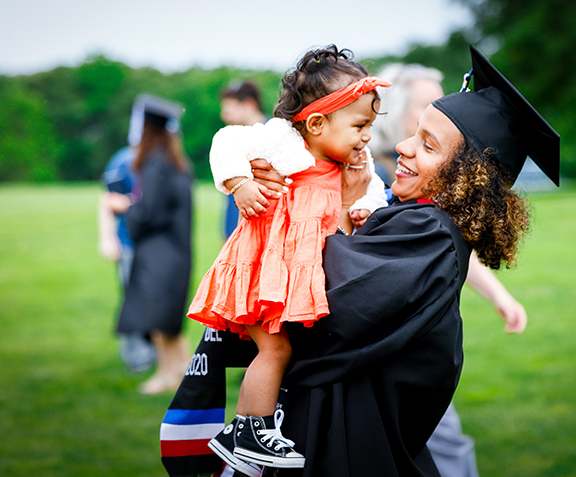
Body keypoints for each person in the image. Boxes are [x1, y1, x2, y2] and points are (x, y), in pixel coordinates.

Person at [160, 44, 559, 477]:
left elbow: (330, 302)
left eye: (427, 145)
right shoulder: (411, 216)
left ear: (467, 176)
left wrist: (318, 209)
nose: (403, 147)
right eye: (414, 132)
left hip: (344, 443)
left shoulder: (432, 235)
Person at [186, 45, 390, 472]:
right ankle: (248, 428)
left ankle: (250, 429)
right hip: (266, 271)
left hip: (296, 275)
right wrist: (240, 182)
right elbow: (226, 140)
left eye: (370, 125)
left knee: (287, 351)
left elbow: (372, 191)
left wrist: (364, 207)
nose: (367, 136)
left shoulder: (354, 159)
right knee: (275, 350)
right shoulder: (281, 142)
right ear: (316, 123)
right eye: (360, 125)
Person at [370, 62, 528, 477]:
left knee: (438, 439)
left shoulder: (432, 208)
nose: (452, 106)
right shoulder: (368, 167)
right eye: (427, 103)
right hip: (390, 354)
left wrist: (499, 295)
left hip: (410, 350)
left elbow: (444, 245)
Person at [106, 94, 193, 395]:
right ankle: (177, 369)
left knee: (159, 318)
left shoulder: (156, 165)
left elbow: (150, 213)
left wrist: (124, 207)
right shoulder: (178, 164)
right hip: (176, 251)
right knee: (167, 317)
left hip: (159, 254)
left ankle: (167, 372)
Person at [98, 96, 156, 373]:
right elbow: (107, 201)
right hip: (129, 242)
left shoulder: (161, 161)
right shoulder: (122, 160)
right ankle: (137, 357)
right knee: (132, 300)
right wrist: (107, 239)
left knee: (156, 299)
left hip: (157, 245)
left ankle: (157, 353)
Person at [219, 81, 269, 239]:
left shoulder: (275, 138)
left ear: (249, 105)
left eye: (229, 108)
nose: (224, 114)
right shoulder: (231, 139)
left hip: (264, 234)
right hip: (235, 232)